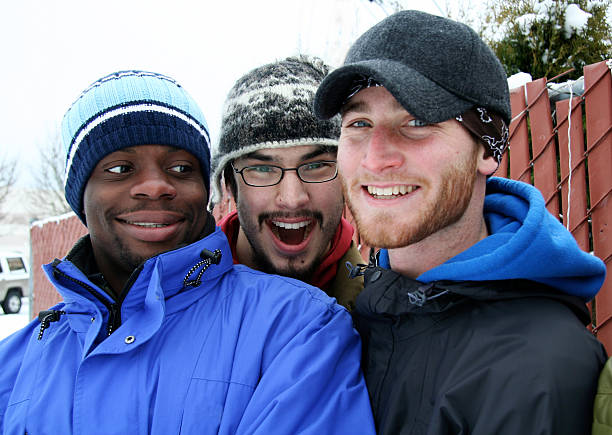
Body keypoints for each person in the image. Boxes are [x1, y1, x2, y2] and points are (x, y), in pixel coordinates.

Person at [0, 70, 375, 434]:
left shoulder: (305, 325)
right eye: (119, 168)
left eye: (180, 167)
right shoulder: (17, 361)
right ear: (228, 186)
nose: (154, 186)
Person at [313, 10, 607, 435]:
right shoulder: (359, 314)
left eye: (416, 121)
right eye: (359, 123)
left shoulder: (532, 370)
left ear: (488, 151)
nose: (375, 157)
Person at [210, 56, 363, 310]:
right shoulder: (174, 302)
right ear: (229, 183)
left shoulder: (384, 317)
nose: (292, 198)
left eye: (316, 166)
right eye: (263, 169)